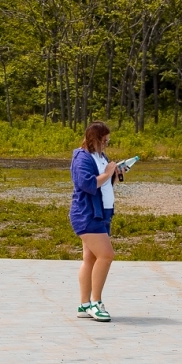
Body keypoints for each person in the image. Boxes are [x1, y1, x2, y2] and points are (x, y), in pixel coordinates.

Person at [70, 121, 122, 322]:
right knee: (107, 255)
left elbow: (105, 184)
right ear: (94, 139)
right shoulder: (82, 157)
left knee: (90, 259)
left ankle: (84, 304)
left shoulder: (101, 156)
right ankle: (95, 302)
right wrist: (107, 173)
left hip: (102, 213)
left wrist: (115, 175)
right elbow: (87, 183)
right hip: (87, 213)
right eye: (104, 141)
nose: (107, 144)